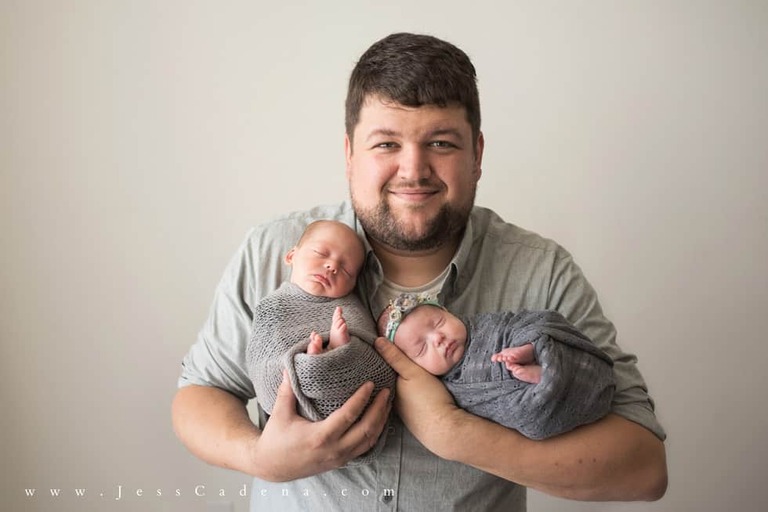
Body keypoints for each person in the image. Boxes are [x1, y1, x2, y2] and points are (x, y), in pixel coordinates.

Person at [173, 32, 667, 511]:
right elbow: (200, 393)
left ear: (477, 155)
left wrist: (457, 434)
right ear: (349, 155)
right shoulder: (274, 248)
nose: (413, 170)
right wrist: (260, 458)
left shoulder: (542, 271)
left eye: (442, 143)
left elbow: (644, 468)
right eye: (386, 144)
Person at [245, 219, 396, 465]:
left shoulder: (348, 308)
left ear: (353, 284)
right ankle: (321, 357)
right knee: (308, 365)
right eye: (321, 253)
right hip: (292, 421)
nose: (332, 266)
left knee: (345, 340)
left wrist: (344, 351)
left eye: (346, 270)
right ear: (291, 256)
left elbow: (375, 365)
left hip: (350, 392)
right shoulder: (273, 306)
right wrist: (305, 366)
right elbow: (261, 362)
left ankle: (335, 351)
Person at [377, 292, 615, 440]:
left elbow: (524, 322)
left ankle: (533, 351)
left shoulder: (486, 325)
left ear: (447, 312)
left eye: (439, 322)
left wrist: (526, 340)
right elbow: (490, 411)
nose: (437, 338)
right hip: (530, 401)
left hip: (549, 353)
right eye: (422, 348)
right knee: (527, 417)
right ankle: (537, 377)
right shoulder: (451, 389)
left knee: (537, 329)